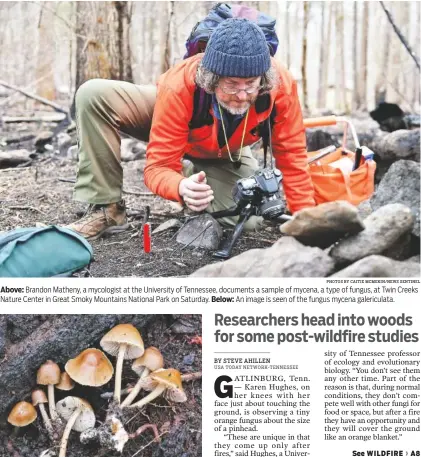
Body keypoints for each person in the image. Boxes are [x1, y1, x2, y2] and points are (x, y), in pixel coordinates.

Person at [68, 18, 316, 240]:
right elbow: (158, 167)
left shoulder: (279, 84)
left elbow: (292, 154)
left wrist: (305, 217)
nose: (242, 95)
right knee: (94, 94)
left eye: (250, 84)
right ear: (211, 79)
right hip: (172, 121)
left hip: (226, 151)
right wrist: (179, 186)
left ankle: (195, 169)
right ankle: (106, 208)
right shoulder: (180, 84)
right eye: (231, 84)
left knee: (248, 221)